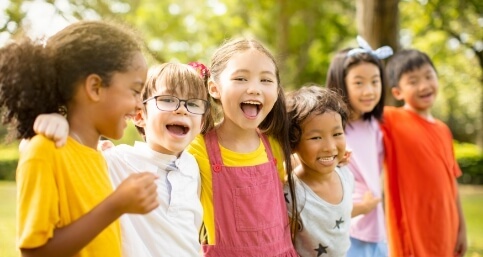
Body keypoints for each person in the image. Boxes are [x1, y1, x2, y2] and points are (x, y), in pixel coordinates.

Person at [0, 20, 159, 257]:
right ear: (95, 87)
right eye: (135, 91)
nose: (139, 105)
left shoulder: (96, 155)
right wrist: (116, 205)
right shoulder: (44, 152)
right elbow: (33, 253)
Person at [30, 62, 211, 257]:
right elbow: (73, 147)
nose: (182, 109)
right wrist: (58, 120)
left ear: (201, 122)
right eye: (167, 100)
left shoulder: (193, 166)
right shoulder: (115, 160)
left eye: (193, 104)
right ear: (140, 116)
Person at [186, 38, 298, 256]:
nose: (254, 89)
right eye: (240, 78)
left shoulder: (275, 146)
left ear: (276, 91)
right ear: (214, 88)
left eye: (266, 80)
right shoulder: (197, 148)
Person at [382, 49, 467, 257]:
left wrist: (462, 227)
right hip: (412, 234)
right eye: (413, 81)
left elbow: (451, 181)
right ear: (397, 93)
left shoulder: (443, 130)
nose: (424, 86)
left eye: (429, 76)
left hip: (447, 228)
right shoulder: (390, 119)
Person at [325, 36, 392, 257]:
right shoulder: (332, 129)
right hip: (347, 230)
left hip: (376, 228)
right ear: (341, 84)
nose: (369, 91)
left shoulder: (374, 126)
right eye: (359, 82)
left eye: (375, 81)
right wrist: (359, 208)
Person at [284, 85, 355, 257]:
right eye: (316, 137)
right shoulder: (292, 195)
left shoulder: (345, 175)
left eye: (337, 134)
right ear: (294, 143)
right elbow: (286, 244)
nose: (329, 147)